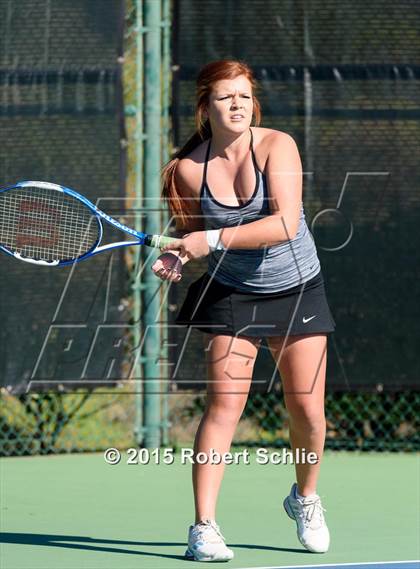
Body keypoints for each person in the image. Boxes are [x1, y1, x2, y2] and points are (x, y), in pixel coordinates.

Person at [152, 60, 335, 562]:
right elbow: (188, 230)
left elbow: (284, 223)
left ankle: (305, 497)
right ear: (205, 108)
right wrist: (176, 252)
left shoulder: (278, 146)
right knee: (223, 408)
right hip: (232, 293)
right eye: (225, 97)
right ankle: (203, 528)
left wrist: (206, 240)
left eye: (244, 96)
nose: (237, 105)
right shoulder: (189, 170)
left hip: (297, 287)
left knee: (309, 415)